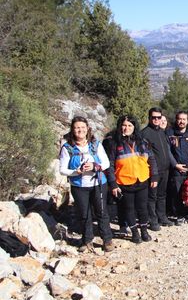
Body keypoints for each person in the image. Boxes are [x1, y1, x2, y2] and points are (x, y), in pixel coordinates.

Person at [59, 116, 114, 252]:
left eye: (83, 127)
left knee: (101, 212)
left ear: (88, 129)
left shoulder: (95, 145)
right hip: (79, 185)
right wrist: (77, 171)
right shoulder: (68, 148)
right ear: (72, 130)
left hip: (98, 183)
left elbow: (106, 163)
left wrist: (96, 166)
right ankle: (87, 240)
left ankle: (107, 239)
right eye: (77, 127)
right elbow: (62, 169)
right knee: (84, 213)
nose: (80, 130)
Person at [107, 115, 158, 244]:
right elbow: (110, 165)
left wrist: (154, 176)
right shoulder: (114, 143)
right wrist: (112, 184)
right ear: (120, 126)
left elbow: (151, 159)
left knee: (142, 208)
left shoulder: (143, 142)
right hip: (124, 182)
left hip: (142, 180)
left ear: (134, 127)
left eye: (130, 125)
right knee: (129, 209)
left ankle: (144, 231)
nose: (127, 128)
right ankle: (135, 232)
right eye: (124, 125)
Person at [141, 107, 175, 229]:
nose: (156, 119)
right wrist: (152, 171)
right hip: (153, 171)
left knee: (162, 195)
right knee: (152, 196)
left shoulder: (162, 132)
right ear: (149, 118)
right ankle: (153, 220)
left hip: (165, 170)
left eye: (158, 117)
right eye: (154, 117)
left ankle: (162, 217)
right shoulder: (145, 133)